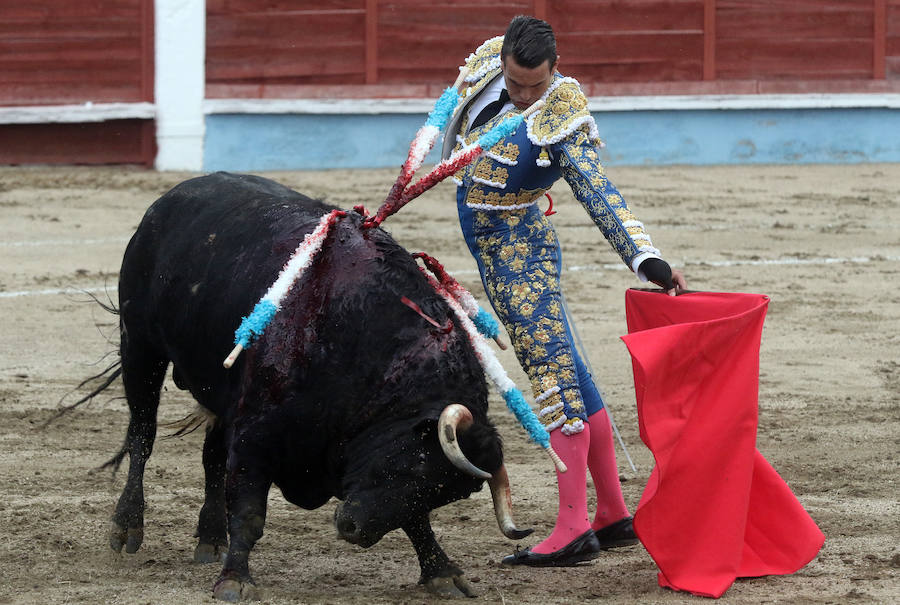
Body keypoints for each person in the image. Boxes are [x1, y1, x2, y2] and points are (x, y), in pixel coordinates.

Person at [441, 15, 686, 566]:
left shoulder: (562, 116)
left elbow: (600, 192)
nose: (526, 95)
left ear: (555, 70)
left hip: (520, 248)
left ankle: (574, 527)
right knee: (569, 369)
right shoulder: (485, 63)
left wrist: (648, 260)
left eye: (537, 85)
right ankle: (613, 514)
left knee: (552, 378)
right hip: (489, 242)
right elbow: (445, 116)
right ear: (502, 60)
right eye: (516, 84)